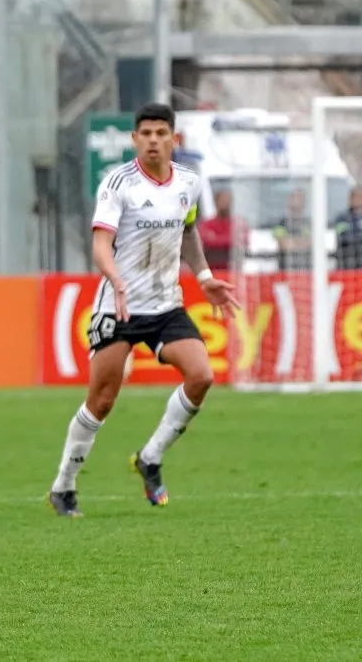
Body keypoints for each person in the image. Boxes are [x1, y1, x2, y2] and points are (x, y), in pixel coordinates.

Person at [47, 103, 240, 518]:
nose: (153, 140)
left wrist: (203, 274)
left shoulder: (188, 182)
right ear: (135, 139)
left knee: (202, 375)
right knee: (102, 399)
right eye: (146, 133)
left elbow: (187, 231)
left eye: (161, 133)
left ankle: (150, 458)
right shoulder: (118, 183)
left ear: (174, 139)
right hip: (119, 306)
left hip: (166, 303)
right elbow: (101, 242)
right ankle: (63, 486)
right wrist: (115, 278)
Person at [198, 190, 249, 271]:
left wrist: (216, 238)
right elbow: (205, 240)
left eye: (228, 201)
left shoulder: (239, 224)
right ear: (215, 202)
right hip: (212, 271)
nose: (226, 203)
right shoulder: (206, 224)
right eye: (223, 200)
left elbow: (241, 241)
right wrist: (230, 238)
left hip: (234, 271)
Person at [273, 189, 311, 271]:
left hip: (306, 271)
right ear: (288, 202)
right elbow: (284, 245)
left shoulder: (309, 224)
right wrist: (300, 242)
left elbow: (309, 243)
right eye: (293, 197)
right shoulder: (280, 224)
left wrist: (292, 242)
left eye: (299, 198)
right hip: (285, 271)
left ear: (304, 202)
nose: (296, 201)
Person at [335, 188, 362, 270]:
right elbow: (342, 236)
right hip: (347, 264)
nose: (357, 199)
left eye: (360, 196)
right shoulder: (342, 218)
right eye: (354, 196)